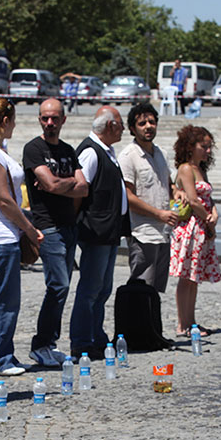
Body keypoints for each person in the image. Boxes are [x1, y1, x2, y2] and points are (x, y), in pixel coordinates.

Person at [0, 98, 44, 376]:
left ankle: (3, 354)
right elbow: (3, 200)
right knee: (3, 300)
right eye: (13, 119)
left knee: (8, 299)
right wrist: (28, 229)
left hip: (4, 233)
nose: (15, 125)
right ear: (5, 121)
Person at [23, 98, 88, 367]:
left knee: (62, 287)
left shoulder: (68, 150)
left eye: (54, 118)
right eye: (44, 118)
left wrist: (61, 184)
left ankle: (48, 343)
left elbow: (84, 187)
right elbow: (49, 185)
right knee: (57, 285)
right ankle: (42, 344)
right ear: (39, 120)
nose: (49, 123)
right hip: (47, 226)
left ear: (63, 120)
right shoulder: (33, 149)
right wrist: (65, 183)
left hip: (69, 225)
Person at [70, 106, 130, 358]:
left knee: (103, 287)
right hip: (96, 231)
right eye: (120, 123)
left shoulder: (107, 151)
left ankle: (96, 335)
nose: (123, 128)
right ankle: (83, 340)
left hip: (108, 231)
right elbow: (78, 190)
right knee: (91, 288)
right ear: (110, 126)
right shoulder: (91, 153)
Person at [118, 101, 181, 293]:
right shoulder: (128, 156)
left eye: (152, 122)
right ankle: (139, 323)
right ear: (132, 129)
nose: (148, 127)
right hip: (143, 231)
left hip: (163, 231)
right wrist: (158, 214)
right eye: (142, 123)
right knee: (141, 286)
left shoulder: (160, 152)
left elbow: (167, 182)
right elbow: (128, 196)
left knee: (156, 289)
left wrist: (176, 191)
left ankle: (152, 322)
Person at [170, 125, 221, 336]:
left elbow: (209, 198)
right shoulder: (186, 169)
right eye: (204, 146)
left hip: (202, 225)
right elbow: (193, 199)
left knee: (194, 276)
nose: (208, 150)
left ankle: (191, 321)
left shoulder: (201, 169)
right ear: (191, 146)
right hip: (191, 226)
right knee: (186, 276)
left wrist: (214, 214)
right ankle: (183, 323)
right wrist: (208, 219)